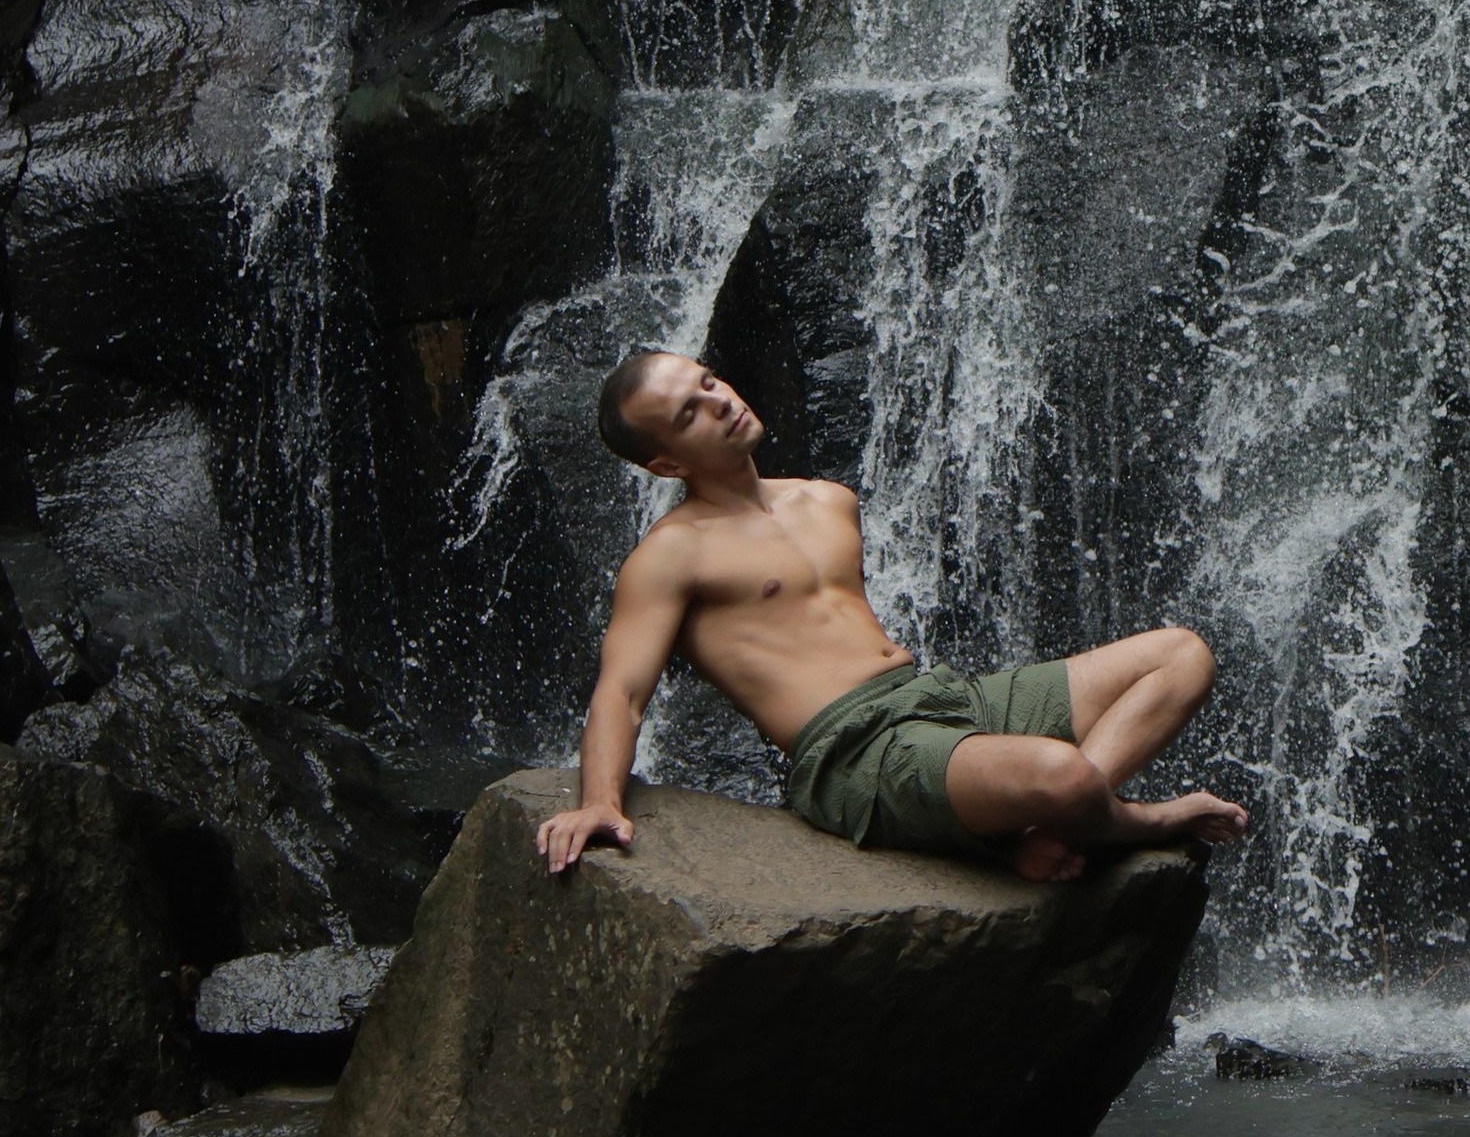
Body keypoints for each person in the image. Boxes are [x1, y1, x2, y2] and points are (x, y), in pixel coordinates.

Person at [534, 346, 1247, 885]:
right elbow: (622, 693)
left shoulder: (827, 500)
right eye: (689, 414)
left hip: (941, 700)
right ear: (666, 465)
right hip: (857, 752)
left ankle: (1052, 824)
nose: (718, 403)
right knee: (1063, 774)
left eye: (708, 382)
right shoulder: (670, 554)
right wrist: (600, 800)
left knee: (1182, 655)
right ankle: (1135, 820)